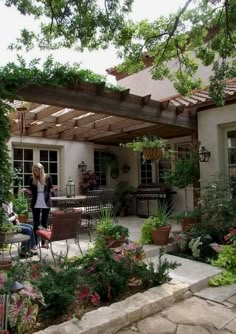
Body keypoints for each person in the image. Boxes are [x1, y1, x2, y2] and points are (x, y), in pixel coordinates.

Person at [27, 163, 53, 247]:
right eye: (34, 171)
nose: (35, 172)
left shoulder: (48, 177)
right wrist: (26, 191)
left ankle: (44, 242)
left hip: (46, 202)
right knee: (36, 223)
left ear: (41, 170)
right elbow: (31, 191)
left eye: (36, 170)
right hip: (36, 203)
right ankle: (35, 242)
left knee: (44, 223)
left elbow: (49, 189)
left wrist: (54, 190)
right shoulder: (32, 179)